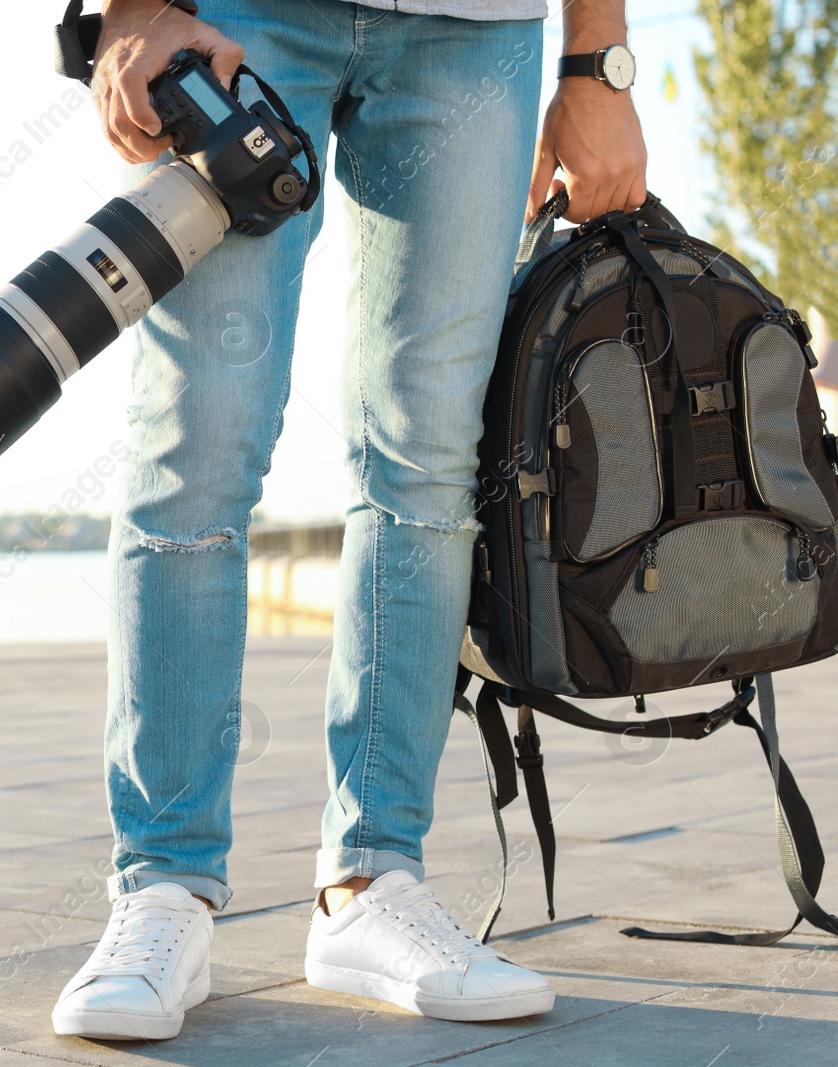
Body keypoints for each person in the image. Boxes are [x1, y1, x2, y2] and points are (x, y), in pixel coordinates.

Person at [51, 0, 648, 1040]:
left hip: (474, 32)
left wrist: (597, 61)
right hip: (231, 16)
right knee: (196, 438)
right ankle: (161, 887)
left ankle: (371, 882)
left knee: (426, 462)